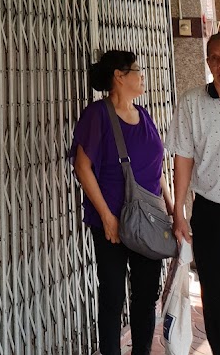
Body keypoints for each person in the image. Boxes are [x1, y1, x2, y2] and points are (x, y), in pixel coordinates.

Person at [71, 50, 173, 355]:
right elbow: (82, 166)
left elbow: (156, 169)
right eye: (137, 70)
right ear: (119, 76)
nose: (142, 76)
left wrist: (171, 209)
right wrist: (106, 216)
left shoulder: (144, 115)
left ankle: (141, 350)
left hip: (149, 223)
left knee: (145, 296)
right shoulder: (97, 115)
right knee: (113, 296)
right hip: (112, 224)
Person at [167, 30, 220, 355]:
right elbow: (183, 159)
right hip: (211, 213)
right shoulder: (193, 102)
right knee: (216, 295)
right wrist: (179, 211)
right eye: (215, 58)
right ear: (207, 62)